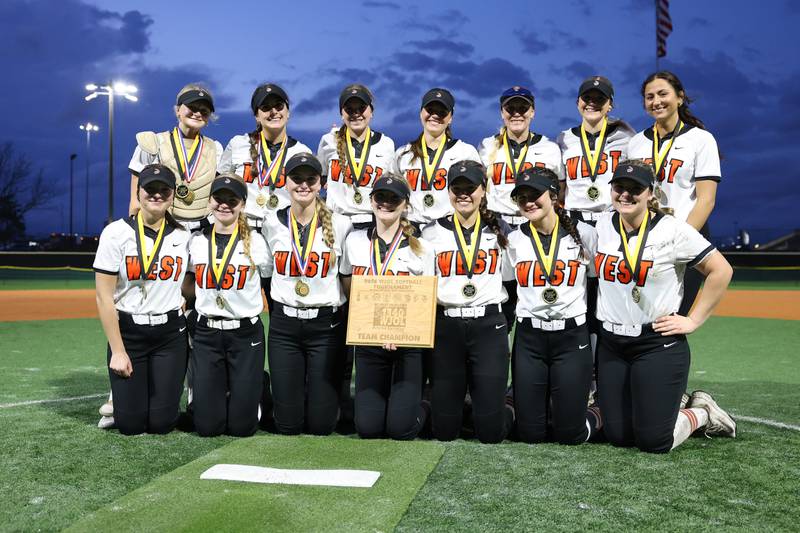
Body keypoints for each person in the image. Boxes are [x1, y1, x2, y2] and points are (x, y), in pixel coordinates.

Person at [98, 84, 224, 424]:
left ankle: (197, 392)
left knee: (199, 314)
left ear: (209, 116)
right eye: (190, 106)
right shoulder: (151, 142)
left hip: (196, 235)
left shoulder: (215, 148)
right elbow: (136, 194)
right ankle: (118, 391)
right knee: (138, 297)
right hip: (155, 229)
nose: (196, 112)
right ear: (176, 108)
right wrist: (136, 231)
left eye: (203, 109)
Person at [591, 159, 735, 453]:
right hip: (612, 346)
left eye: (635, 189)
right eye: (620, 187)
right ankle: (668, 402)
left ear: (650, 192)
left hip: (656, 344)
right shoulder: (602, 224)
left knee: (655, 441)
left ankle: (701, 412)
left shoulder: (672, 230)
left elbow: (721, 270)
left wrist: (692, 321)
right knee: (619, 436)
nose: (626, 195)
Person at [503, 167, 601, 444]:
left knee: (571, 435)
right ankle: (521, 399)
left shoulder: (585, 234)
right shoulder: (512, 240)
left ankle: (600, 409)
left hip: (571, 339)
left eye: (535, 195)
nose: (528, 202)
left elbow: (595, 290)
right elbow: (510, 295)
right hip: (529, 339)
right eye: (521, 197)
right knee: (530, 435)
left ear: (554, 196)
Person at [93, 164, 189, 435]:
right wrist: (118, 351)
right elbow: (103, 297)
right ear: (139, 192)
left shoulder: (184, 236)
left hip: (170, 336)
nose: (157, 195)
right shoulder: (116, 233)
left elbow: (195, 280)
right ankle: (120, 402)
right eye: (150, 189)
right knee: (130, 426)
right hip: (130, 333)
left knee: (161, 425)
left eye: (163, 190)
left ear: (172, 195)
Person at [422, 160, 514, 443]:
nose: (463, 194)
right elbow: (426, 288)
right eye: (457, 188)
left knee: (490, 433)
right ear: (448, 192)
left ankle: (507, 407)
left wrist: (499, 323)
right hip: (447, 326)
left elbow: (511, 283)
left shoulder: (501, 229)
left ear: (483, 190)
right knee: (445, 432)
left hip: (488, 326)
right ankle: (438, 404)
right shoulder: (431, 232)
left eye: (470, 188)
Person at [262, 153, 352, 435]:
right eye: (296, 179)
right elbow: (265, 277)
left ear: (321, 183)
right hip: (284, 327)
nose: (303, 185)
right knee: (287, 425)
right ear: (285, 183)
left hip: (325, 327)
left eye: (310, 179)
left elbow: (346, 279)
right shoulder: (270, 222)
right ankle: (262, 391)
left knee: (321, 426)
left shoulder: (340, 224)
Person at [340, 175, 433, 439]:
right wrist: (370, 323)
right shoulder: (354, 241)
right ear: (371, 201)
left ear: (406, 204)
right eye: (381, 197)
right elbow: (347, 280)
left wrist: (398, 331)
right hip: (369, 344)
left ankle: (425, 401)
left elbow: (425, 299)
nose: (386, 203)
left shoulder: (423, 247)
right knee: (368, 429)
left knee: (400, 430)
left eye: (394, 198)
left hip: (407, 346)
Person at [626, 71, 721, 315]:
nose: (656, 101)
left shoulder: (701, 139)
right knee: (641, 314)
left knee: (673, 318)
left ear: (680, 98)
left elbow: (706, 199)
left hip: (687, 234)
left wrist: (679, 243)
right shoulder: (636, 143)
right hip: (644, 239)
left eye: (662, 94)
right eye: (649, 97)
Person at [185, 174, 270, 437]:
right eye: (218, 198)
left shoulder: (257, 242)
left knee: (242, 428)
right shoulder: (196, 239)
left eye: (231, 200)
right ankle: (203, 392)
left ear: (243, 204)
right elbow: (188, 282)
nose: (224, 205)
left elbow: (268, 284)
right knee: (208, 428)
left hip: (245, 334)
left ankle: (259, 385)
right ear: (209, 201)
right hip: (208, 333)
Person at [218, 83, 312, 231]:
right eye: (266, 107)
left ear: (288, 112)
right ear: (257, 116)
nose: (273, 111)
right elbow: (220, 187)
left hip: (283, 229)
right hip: (242, 227)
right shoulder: (238, 144)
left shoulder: (301, 152)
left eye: (279, 106)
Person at [393, 88, 481, 229]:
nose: (435, 115)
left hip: (449, 230)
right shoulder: (403, 154)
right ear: (421, 113)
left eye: (442, 112)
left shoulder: (465, 152)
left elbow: (479, 194)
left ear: (450, 117)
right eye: (430, 110)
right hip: (410, 229)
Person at [480, 86, 563, 229]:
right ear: (502, 113)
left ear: (532, 112)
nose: (516, 113)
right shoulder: (486, 146)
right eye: (510, 108)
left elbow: (560, 189)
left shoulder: (549, 148)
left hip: (534, 223)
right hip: (496, 223)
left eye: (523, 108)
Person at [557, 76, 635, 225]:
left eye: (600, 99)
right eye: (586, 98)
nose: (592, 103)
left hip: (613, 219)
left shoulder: (626, 137)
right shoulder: (564, 139)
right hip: (574, 220)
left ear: (610, 105)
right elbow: (561, 189)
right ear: (577, 102)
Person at [318, 84, 397, 228]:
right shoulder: (328, 141)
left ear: (371, 111)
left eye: (361, 108)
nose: (356, 113)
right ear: (342, 113)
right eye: (350, 109)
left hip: (373, 222)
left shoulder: (386, 144)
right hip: (336, 222)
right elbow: (321, 178)